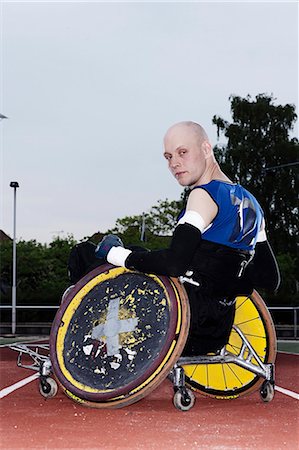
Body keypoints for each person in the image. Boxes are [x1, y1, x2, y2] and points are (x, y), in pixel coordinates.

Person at [95, 121, 280, 355]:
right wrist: (225, 282)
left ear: (205, 149)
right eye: (168, 157)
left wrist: (114, 254)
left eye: (183, 152)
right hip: (216, 332)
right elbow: (269, 279)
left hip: (179, 325)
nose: (174, 164)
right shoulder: (252, 205)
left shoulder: (203, 196)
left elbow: (175, 263)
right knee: (139, 252)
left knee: (96, 253)